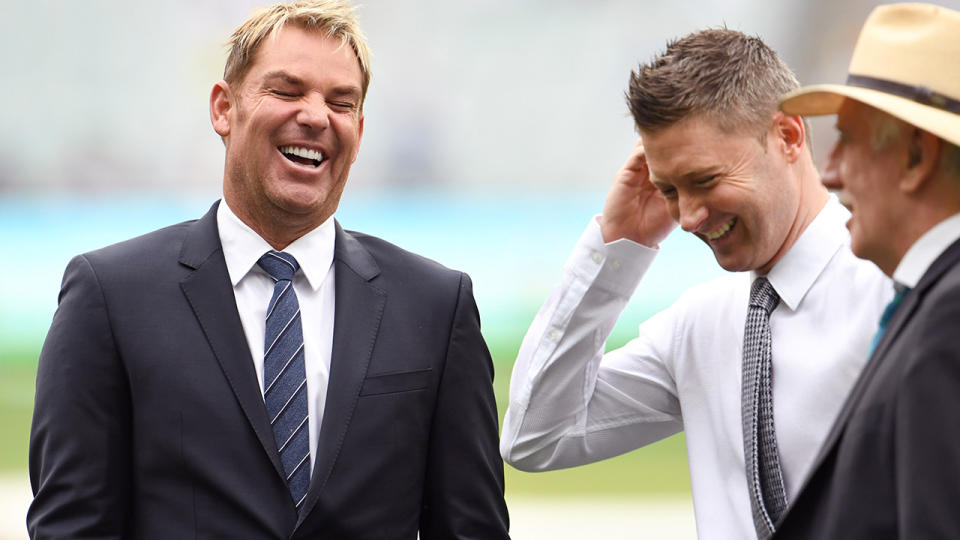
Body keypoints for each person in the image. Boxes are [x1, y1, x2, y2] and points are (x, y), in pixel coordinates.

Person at [27, 1, 510, 538]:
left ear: (360, 129)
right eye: (287, 90)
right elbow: (72, 528)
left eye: (340, 101)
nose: (315, 115)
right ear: (223, 109)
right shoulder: (110, 297)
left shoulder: (436, 306)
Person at [499, 28, 891, 539]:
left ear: (789, 137)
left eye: (704, 180)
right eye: (669, 190)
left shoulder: (896, 293)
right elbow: (535, 439)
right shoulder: (702, 323)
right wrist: (616, 247)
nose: (686, 217)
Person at [772, 4, 960, 537]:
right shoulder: (934, 301)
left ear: (915, 159)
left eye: (848, 140)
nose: (828, 173)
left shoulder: (950, 317)